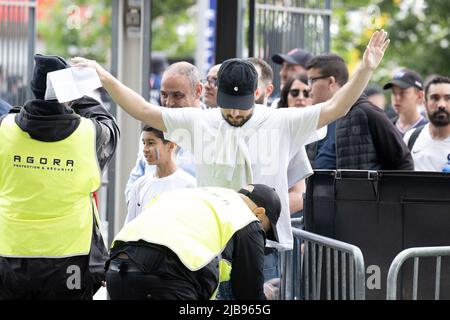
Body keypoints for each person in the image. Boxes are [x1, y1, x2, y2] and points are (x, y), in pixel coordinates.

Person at [72, 29, 390, 254]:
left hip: (266, 244)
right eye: (227, 105)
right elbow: (142, 109)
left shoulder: (281, 121)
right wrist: (103, 75)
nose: (234, 114)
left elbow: (337, 107)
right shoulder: (199, 120)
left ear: (258, 94)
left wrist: (365, 68)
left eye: (242, 107)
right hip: (211, 241)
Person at [0, 54, 119, 299]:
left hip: (10, 254)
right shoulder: (91, 135)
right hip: (70, 258)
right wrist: (74, 93)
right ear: (68, 93)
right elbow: (110, 124)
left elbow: (17, 113)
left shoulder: (4, 129)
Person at [105, 184, 281, 300]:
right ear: (259, 212)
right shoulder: (247, 219)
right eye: (265, 230)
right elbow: (249, 299)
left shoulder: (195, 194)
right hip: (167, 279)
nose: (261, 235)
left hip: (117, 269)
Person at [305, 53, 413, 170]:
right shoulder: (315, 117)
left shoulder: (366, 113)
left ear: (331, 82)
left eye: (312, 80)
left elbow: (404, 162)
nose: (308, 88)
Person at [125, 62, 202, 203]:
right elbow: (135, 179)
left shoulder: (212, 131)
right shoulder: (152, 128)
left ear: (198, 91)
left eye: (177, 96)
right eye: (164, 95)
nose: (169, 103)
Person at [125, 125, 196, 224]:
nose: (145, 149)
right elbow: (129, 228)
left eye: (151, 143)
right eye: (144, 143)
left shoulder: (189, 186)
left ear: (171, 145)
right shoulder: (139, 186)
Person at [403, 75, 450, 171]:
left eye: (448, 98)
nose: (441, 105)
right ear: (425, 103)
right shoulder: (411, 137)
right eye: (435, 98)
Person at [383, 69, 428, 136]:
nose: (397, 98)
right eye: (394, 93)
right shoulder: (385, 128)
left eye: (403, 93)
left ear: (419, 96)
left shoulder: (429, 130)